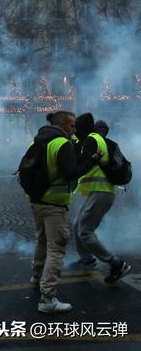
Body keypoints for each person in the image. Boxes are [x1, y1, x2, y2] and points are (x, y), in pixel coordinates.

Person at [28, 111, 99, 313]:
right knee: (56, 248)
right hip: (54, 204)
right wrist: (90, 162)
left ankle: (36, 276)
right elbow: (70, 173)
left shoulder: (39, 140)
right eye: (73, 126)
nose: (75, 130)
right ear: (63, 125)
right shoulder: (62, 143)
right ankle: (47, 298)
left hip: (37, 201)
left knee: (41, 241)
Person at [72, 114, 131, 283]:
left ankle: (117, 264)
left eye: (77, 127)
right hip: (98, 191)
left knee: (85, 232)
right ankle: (87, 260)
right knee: (78, 226)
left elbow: (82, 163)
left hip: (102, 191)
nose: (75, 130)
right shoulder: (93, 139)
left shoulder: (92, 139)